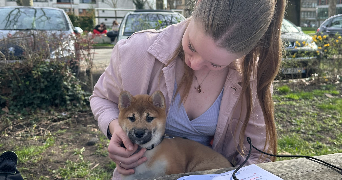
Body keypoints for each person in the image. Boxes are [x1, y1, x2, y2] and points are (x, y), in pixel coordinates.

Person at [90, 0, 286, 179]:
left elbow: (258, 155)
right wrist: (115, 129)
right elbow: (101, 98)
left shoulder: (251, 78)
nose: (194, 63)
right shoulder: (135, 52)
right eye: (191, 46)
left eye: (215, 64)